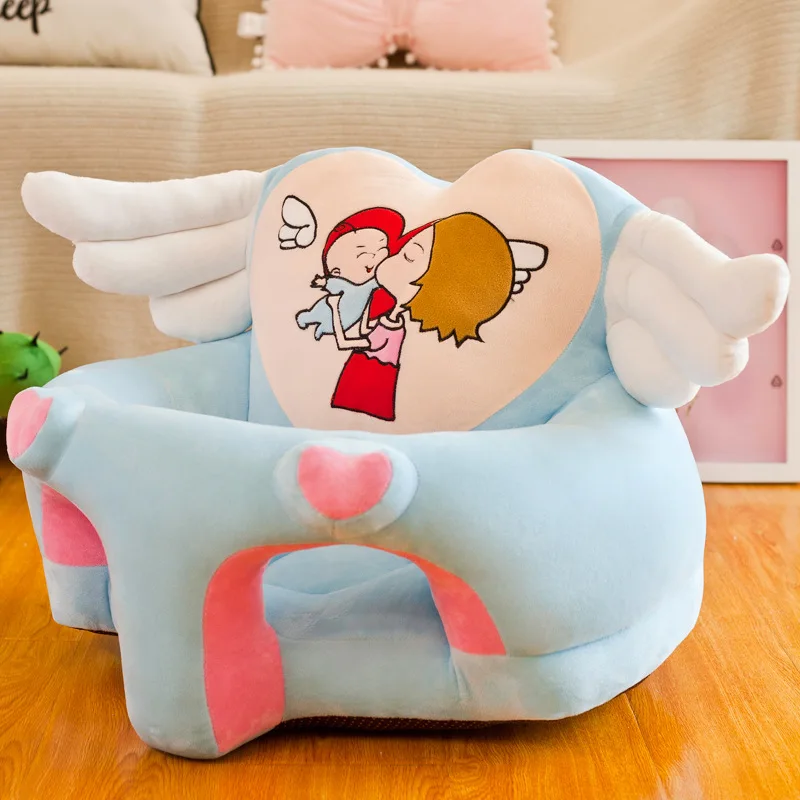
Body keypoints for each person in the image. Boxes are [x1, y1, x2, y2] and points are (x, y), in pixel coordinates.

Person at [330, 212, 517, 421]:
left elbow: (345, 342)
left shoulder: (392, 329)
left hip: (364, 387)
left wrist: (335, 308)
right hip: (362, 383)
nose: (389, 257)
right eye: (403, 250)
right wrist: (368, 300)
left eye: (408, 257)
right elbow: (365, 330)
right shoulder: (393, 322)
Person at [295, 208, 406, 340]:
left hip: (349, 319)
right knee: (316, 314)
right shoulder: (346, 286)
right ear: (336, 272)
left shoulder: (371, 285)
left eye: (382, 249)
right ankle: (306, 318)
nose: (377, 256)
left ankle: (321, 329)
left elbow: (384, 281)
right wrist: (324, 282)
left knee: (329, 326)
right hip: (330, 310)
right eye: (362, 253)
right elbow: (335, 284)